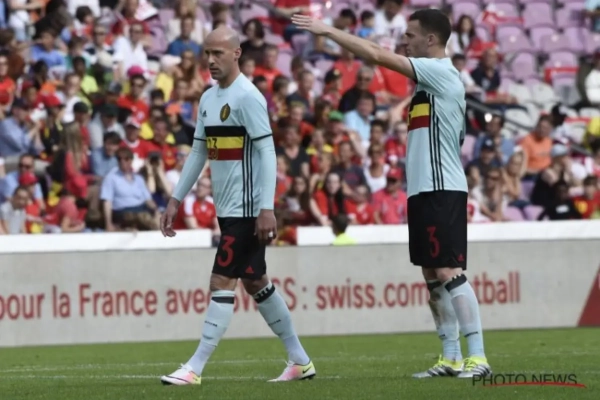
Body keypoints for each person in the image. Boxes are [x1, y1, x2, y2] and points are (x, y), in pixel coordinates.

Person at [293, 8, 490, 378]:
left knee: (449, 270)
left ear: (431, 39)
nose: (404, 40)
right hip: (423, 189)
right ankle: (450, 357)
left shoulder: (441, 72)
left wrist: (327, 30)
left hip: (442, 187)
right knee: (431, 273)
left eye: (411, 35)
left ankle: (477, 357)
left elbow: (376, 54)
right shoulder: (426, 88)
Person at [159, 26, 314, 386]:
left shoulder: (248, 97)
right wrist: (176, 198)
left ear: (236, 53)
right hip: (227, 210)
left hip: (247, 209)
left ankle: (195, 367)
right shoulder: (208, 99)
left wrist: (266, 208)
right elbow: (199, 152)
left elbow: (268, 152)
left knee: (221, 280)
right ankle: (300, 361)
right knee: (256, 281)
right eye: (207, 53)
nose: (211, 60)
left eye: (218, 53)